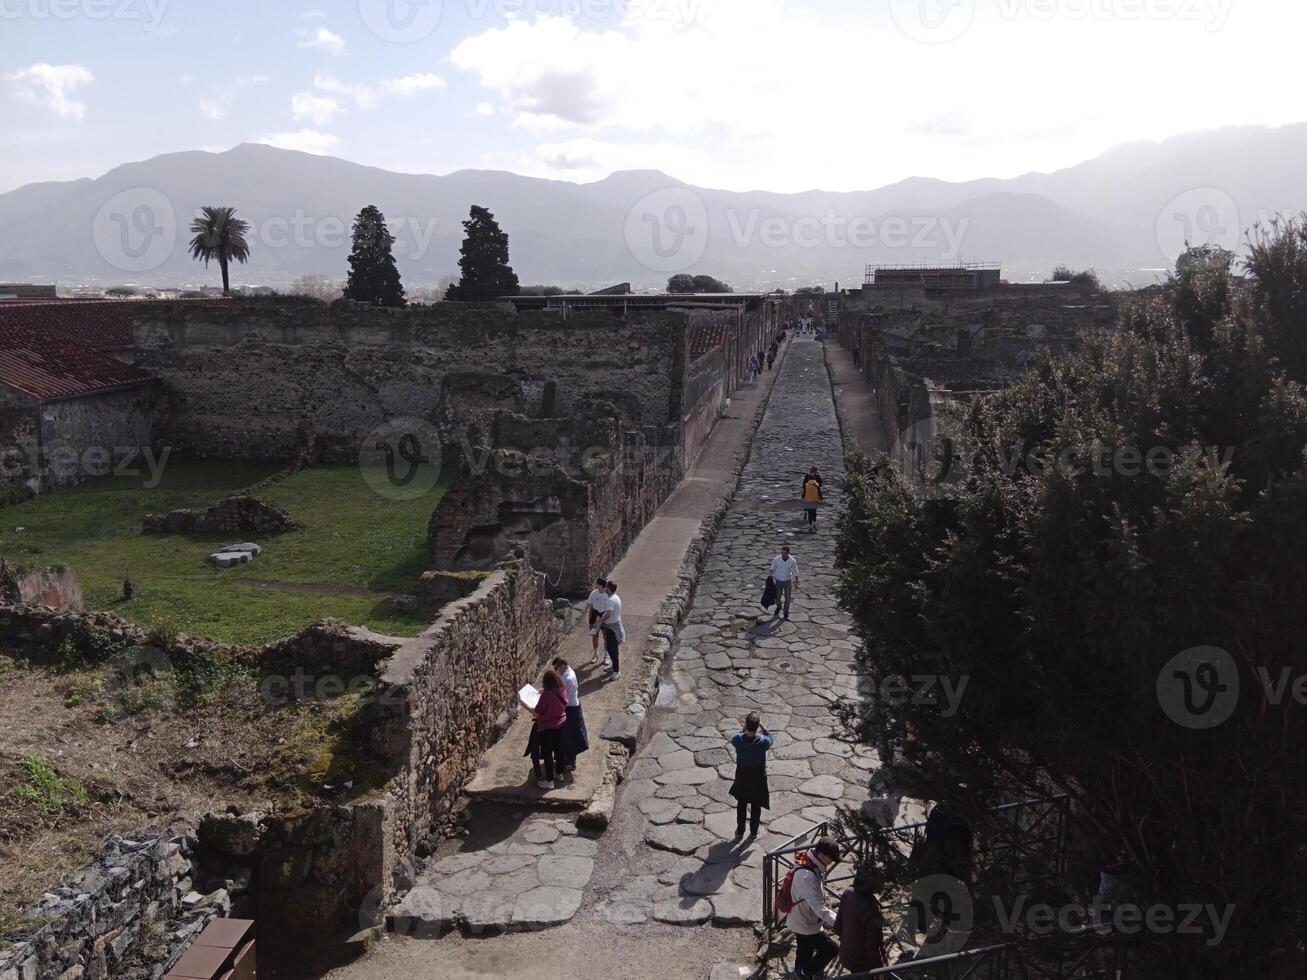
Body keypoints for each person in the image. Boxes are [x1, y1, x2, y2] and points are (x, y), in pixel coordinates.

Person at [787, 836, 842, 979]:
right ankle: (804, 973)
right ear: (822, 856)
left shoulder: (809, 862)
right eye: (831, 859)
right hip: (806, 923)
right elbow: (818, 907)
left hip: (801, 918)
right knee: (831, 949)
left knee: (804, 951)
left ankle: (801, 973)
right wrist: (839, 922)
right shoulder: (807, 875)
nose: (831, 863)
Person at [728, 712, 773, 838]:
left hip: (742, 776)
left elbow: (736, 736)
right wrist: (763, 727)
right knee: (756, 805)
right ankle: (753, 832)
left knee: (741, 804)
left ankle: (740, 830)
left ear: (746, 725)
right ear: (757, 726)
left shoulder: (738, 740)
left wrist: (744, 729)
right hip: (758, 778)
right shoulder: (763, 742)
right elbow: (770, 737)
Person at [835, 865, 887, 974]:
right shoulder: (872, 909)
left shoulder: (848, 893)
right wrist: (879, 968)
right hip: (863, 962)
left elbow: (838, 927)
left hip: (846, 953)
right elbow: (872, 946)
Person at [525, 669, 569, 789]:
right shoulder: (562, 689)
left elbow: (537, 712)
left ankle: (549, 781)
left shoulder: (546, 695)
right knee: (559, 749)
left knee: (548, 753)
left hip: (547, 728)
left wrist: (525, 705)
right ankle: (559, 774)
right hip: (561, 724)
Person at [552, 656, 589, 772]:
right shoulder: (566, 673)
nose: (555, 670)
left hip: (571, 709)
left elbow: (563, 696)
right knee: (567, 736)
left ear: (562, 666)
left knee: (571, 736)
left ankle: (571, 762)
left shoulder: (568, 678)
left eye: (556, 668)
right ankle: (566, 758)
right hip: (571, 707)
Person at [594, 579, 624, 681]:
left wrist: (599, 621)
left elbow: (609, 614)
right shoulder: (615, 597)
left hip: (612, 628)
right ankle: (614, 668)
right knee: (611, 649)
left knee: (612, 650)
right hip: (613, 626)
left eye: (607, 587)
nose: (605, 589)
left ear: (609, 589)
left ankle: (616, 671)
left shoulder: (611, 600)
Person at [768, 545, 799, 621]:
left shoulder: (792, 561)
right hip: (778, 580)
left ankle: (786, 613)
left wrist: (796, 581)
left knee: (787, 597)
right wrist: (770, 576)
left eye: (785, 553)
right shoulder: (776, 559)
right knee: (777, 597)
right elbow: (772, 568)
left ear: (788, 553)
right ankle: (779, 606)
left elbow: (795, 571)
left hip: (787, 581)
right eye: (782, 552)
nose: (783, 554)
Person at [586, 576, 609, 665]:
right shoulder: (594, 593)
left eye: (597, 584)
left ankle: (606, 656)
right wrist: (590, 617)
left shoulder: (607, 595)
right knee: (594, 636)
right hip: (595, 615)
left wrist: (603, 618)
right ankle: (595, 654)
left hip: (604, 616)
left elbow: (609, 609)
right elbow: (590, 606)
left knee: (606, 637)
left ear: (602, 586)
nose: (595, 585)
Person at [802, 466, 823, 533]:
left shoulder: (807, 484)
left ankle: (810, 525)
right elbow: (819, 489)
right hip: (814, 500)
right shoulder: (816, 484)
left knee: (809, 513)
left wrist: (803, 497)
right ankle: (814, 523)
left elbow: (804, 490)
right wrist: (821, 498)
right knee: (814, 513)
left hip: (808, 500)